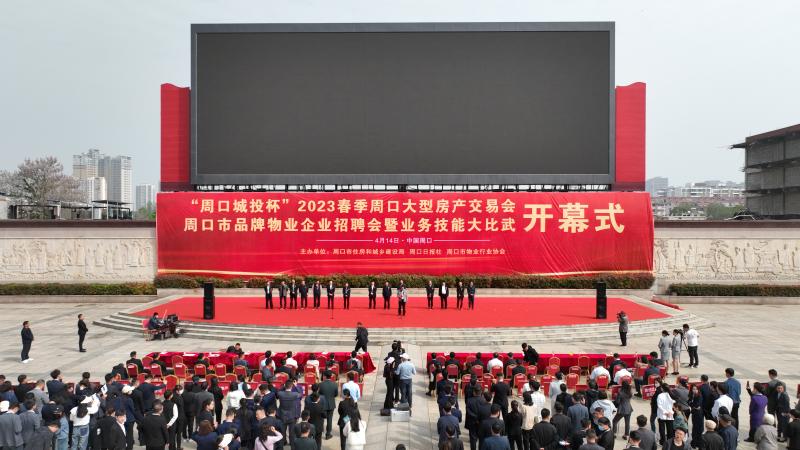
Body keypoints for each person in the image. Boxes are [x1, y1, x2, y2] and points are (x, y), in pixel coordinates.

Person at [318, 372, 338, 440]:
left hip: (322, 404)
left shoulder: (320, 384)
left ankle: (320, 433)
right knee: (329, 420)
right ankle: (328, 434)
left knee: (321, 419)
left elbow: (319, 394)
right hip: (331, 404)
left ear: (324, 376)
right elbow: (336, 394)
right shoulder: (334, 384)